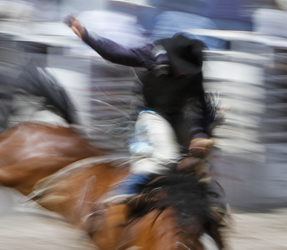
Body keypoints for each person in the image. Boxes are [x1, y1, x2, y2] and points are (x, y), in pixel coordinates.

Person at [64, 14, 218, 199]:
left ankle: (206, 206)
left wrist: (199, 135)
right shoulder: (152, 54)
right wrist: (86, 35)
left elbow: (199, 103)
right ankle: (122, 197)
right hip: (150, 114)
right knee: (166, 157)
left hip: (177, 115)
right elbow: (119, 54)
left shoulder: (194, 70)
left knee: (200, 161)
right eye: (182, 68)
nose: (184, 72)